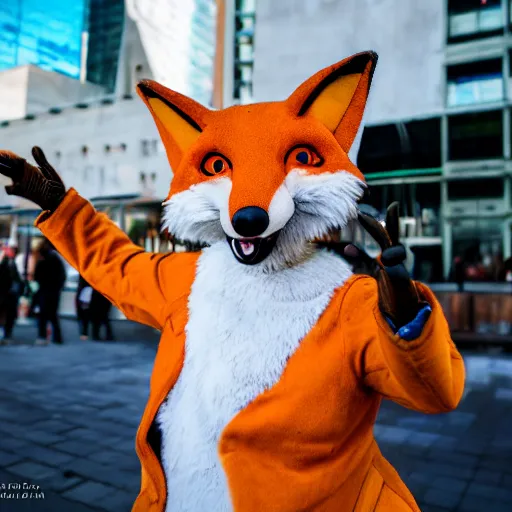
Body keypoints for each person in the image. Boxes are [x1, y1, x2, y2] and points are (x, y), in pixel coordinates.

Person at [34, 239, 66, 345]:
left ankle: (43, 336)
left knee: (44, 315)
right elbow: (62, 276)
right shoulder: (55, 258)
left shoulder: (44, 259)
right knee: (52, 315)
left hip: (45, 290)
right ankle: (57, 337)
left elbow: (37, 275)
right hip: (53, 290)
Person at [0, 242, 22, 344]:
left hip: (9, 294)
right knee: (6, 315)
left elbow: (15, 279)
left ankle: (6, 335)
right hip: (6, 294)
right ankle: (5, 335)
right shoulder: (6, 262)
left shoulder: (10, 262)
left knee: (9, 315)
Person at [76, 275, 93, 340]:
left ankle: (84, 333)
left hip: (85, 292)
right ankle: (84, 333)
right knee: (85, 314)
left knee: (84, 314)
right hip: (86, 292)